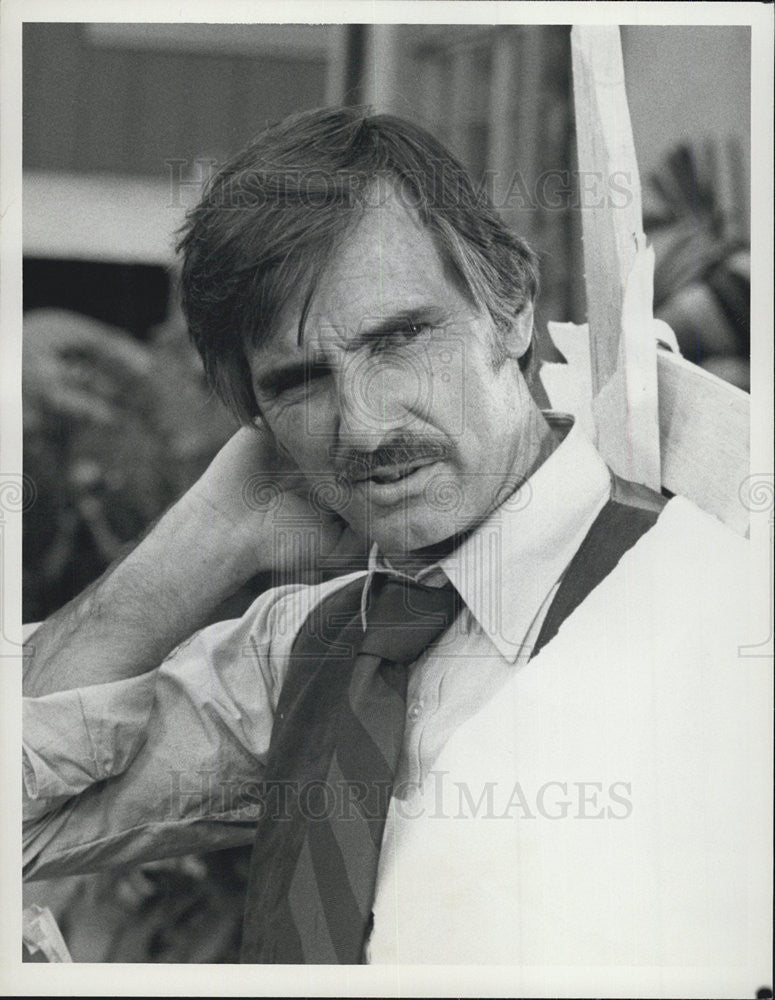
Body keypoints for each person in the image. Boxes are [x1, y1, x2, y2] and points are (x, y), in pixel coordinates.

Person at [22, 108, 769, 990]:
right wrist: (209, 535)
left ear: (510, 308)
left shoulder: (716, 613)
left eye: (401, 338)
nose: (365, 428)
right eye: (299, 382)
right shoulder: (303, 650)